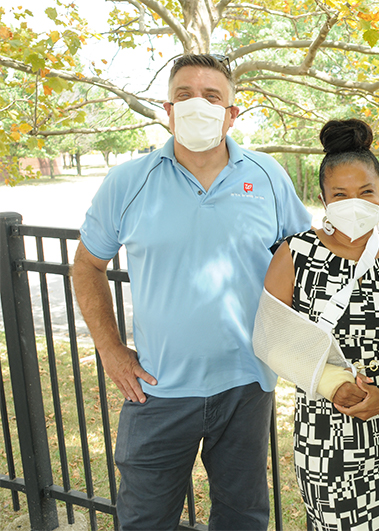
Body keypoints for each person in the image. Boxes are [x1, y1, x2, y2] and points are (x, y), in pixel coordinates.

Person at [72, 53, 311, 529]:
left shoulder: (267, 177)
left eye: (211, 96)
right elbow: (87, 266)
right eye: (184, 95)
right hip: (157, 391)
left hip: (247, 384)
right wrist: (112, 351)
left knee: (242, 516)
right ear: (168, 109)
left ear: (231, 113)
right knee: (144, 517)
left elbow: (304, 263)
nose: (196, 104)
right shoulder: (127, 181)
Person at [262, 118, 379, 530]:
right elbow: (272, 339)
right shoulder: (295, 254)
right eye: (340, 194)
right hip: (326, 428)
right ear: (323, 199)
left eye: (365, 192)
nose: (353, 202)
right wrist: (331, 384)